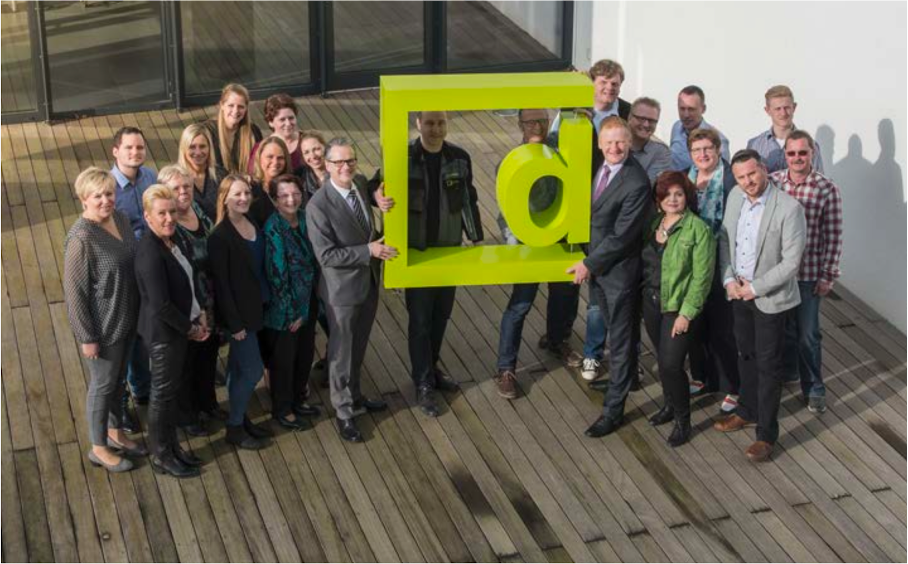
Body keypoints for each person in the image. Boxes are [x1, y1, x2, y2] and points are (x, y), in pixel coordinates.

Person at [714, 150, 807, 463]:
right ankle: (747, 410)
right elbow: (725, 241)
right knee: (746, 355)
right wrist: (729, 279)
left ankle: (766, 434)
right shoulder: (735, 197)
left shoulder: (789, 208)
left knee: (768, 366)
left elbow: (791, 263)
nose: (748, 181)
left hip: (769, 298)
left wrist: (754, 288)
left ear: (764, 169)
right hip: (738, 291)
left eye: (752, 174)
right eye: (741, 177)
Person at [306, 138, 397, 443]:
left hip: (368, 281)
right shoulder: (318, 206)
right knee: (341, 352)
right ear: (327, 165)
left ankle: (356, 396)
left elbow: (371, 188)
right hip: (341, 292)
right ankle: (343, 411)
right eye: (338, 162)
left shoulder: (358, 182)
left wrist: (376, 196)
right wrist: (368, 251)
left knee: (358, 345)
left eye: (350, 160)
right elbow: (326, 256)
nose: (346, 167)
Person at [567, 117, 652, 438]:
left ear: (629, 143)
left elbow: (622, 236)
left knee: (619, 339)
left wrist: (588, 263)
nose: (615, 148)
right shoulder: (595, 167)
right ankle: (627, 380)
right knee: (621, 331)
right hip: (599, 269)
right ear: (600, 144)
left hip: (619, 273)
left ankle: (613, 411)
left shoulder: (636, 182)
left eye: (620, 142)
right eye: (609, 142)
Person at [494, 109, 581, 399]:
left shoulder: (559, 152)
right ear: (520, 124)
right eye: (530, 121)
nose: (537, 126)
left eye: (542, 120)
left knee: (564, 295)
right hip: (526, 241)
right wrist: (515, 245)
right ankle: (506, 368)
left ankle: (557, 341)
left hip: (559, 235)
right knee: (520, 304)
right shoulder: (511, 161)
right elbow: (505, 211)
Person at [401, 111, 483, 417]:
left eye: (441, 123)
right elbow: (375, 188)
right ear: (418, 124)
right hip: (418, 254)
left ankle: (431, 368)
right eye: (430, 123)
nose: (436, 129)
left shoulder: (459, 158)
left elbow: (468, 199)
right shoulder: (403, 157)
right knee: (420, 320)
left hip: (449, 251)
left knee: (441, 316)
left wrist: (475, 238)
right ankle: (423, 383)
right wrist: (376, 195)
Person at [63, 167, 144, 473]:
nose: (105, 200)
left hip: (129, 316)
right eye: (97, 195)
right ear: (84, 199)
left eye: (109, 193)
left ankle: (114, 431)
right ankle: (98, 447)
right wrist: (87, 337)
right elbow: (75, 293)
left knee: (119, 380)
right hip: (104, 325)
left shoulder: (120, 219)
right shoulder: (81, 238)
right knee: (102, 385)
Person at [135, 185, 210, 478]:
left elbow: (188, 282)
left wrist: (199, 313)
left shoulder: (172, 239)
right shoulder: (149, 252)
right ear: (147, 216)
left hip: (180, 328)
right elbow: (161, 306)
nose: (169, 218)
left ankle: (173, 447)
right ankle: (161, 454)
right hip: (164, 335)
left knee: (171, 393)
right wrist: (191, 329)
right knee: (162, 396)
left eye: (172, 212)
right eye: (161, 214)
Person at [770, 130, 844, 414]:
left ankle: (814, 388)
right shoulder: (774, 182)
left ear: (812, 153)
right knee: (783, 330)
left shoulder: (827, 188)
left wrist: (828, 275)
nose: (797, 158)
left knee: (808, 335)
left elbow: (833, 235)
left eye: (803, 152)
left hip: (808, 273)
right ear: (785, 155)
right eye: (792, 153)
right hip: (777, 273)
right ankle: (788, 373)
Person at [642, 172, 715, 447]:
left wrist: (686, 313)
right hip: (651, 302)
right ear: (658, 198)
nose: (672, 199)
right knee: (662, 359)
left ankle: (683, 421)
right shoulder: (654, 224)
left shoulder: (698, 229)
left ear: (687, 197)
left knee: (672, 364)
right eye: (667, 194)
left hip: (678, 307)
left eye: (679, 194)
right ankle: (669, 405)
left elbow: (702, 278)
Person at [208, 174, 274, 450]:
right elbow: (221, 286)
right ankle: (234, 426)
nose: (244, 198)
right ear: (224, 199)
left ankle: (240, 417)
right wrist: (234, 325)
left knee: (237, 368)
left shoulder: (251, 222)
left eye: (246, 193)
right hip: (239, 317)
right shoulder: (220, 236)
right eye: (237, 194)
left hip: (258, 307)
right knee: (253, 369)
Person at [160, 165, 224, 436]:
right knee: (187, 362)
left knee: (208, 355)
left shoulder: (197, 209)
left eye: (186, 186)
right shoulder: (170, 227)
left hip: (211, 298)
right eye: (176, 188)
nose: (183, 192)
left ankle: (207, 403)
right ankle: (186, 417)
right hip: (189, 304)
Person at [686, 128, 741, 413]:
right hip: (693, 263)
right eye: (697, 150)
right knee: (696, 324)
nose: (703, 154)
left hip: (722, 259)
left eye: (708, 148)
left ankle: (733, 386)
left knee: (723, 328)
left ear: (718, 149)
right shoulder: (686, 178)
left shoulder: (731, 180)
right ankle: (702, 376)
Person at [262, 174, 321, 430]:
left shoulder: (306, 218)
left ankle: (298, 400)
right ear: (275, 200)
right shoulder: (273, 228)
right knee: (284, 361)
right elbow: (277, 275)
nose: (291, 199)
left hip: (309, 300)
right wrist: (292, 313)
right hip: (286, 307)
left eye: (295, 193)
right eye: (284, 195)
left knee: (305, 354)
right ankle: (282, 409)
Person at [110, 126, 156, 432]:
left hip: (151, 265)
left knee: (141, 332)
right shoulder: (108, 187)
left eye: (139, 147)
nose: (135, 153)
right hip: (124, 270)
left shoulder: (151, 176)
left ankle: (141, 387)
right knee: (123, 338)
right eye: (128, 148)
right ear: (116, 151)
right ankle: (120, 402)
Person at [551, 59, 631, 177]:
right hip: (578, 174)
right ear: (592, 84)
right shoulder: (572, 109)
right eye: (603, 82)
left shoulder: (628, 111)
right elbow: (553, 142)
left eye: (614, 84)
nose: (609, 87)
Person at [747, 85, 824, 174]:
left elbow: (819, 179)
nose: (783, 113)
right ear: (767, 110)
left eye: (787, 108)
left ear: (794, 107)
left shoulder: (811, 146)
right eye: (778, 109)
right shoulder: (754, 145)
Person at [202, 83, 263, 174]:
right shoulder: (207, 131)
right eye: (231, 105)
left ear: (246, 108)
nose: (235, 111)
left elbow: (259, 165)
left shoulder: (253, 132)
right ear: (222, 105)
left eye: (241, 107)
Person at [670, 85, 730, 171]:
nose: (686, 115)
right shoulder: (676, 127)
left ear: (703, 109)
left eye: (691, 109)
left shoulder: (720, 140)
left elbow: (723, 173)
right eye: (682, 109)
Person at [178, 123, 227, 221]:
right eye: (192, 147)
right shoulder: (175, 180)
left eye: (202, 146)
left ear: (209, 148)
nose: (198, 152)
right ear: (184, 149)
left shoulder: (221, 176)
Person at [249, 93, 306, 173]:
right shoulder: (260, 148)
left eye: (291, 118)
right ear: (270, 122)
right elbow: (254, 175)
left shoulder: (308, 141)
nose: (288, 123)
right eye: (282, 120)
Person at [249, 136, 292, 227]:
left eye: (280, 158)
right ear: (259, 158)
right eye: (270, 157)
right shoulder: (250, 189)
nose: (275, 162)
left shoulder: (293, 186)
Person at [628, 97, 672, 183]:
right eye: (641, 119)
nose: (646, 124)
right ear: (629, 117)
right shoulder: (614, 143)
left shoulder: (661, 152)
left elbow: (647, 185)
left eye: (651, 121)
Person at [298, 130, 329, 199]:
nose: (313, 156)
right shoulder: (299, 178)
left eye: (316, 149)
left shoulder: (340, 172)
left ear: (326, 148)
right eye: (306, 152)